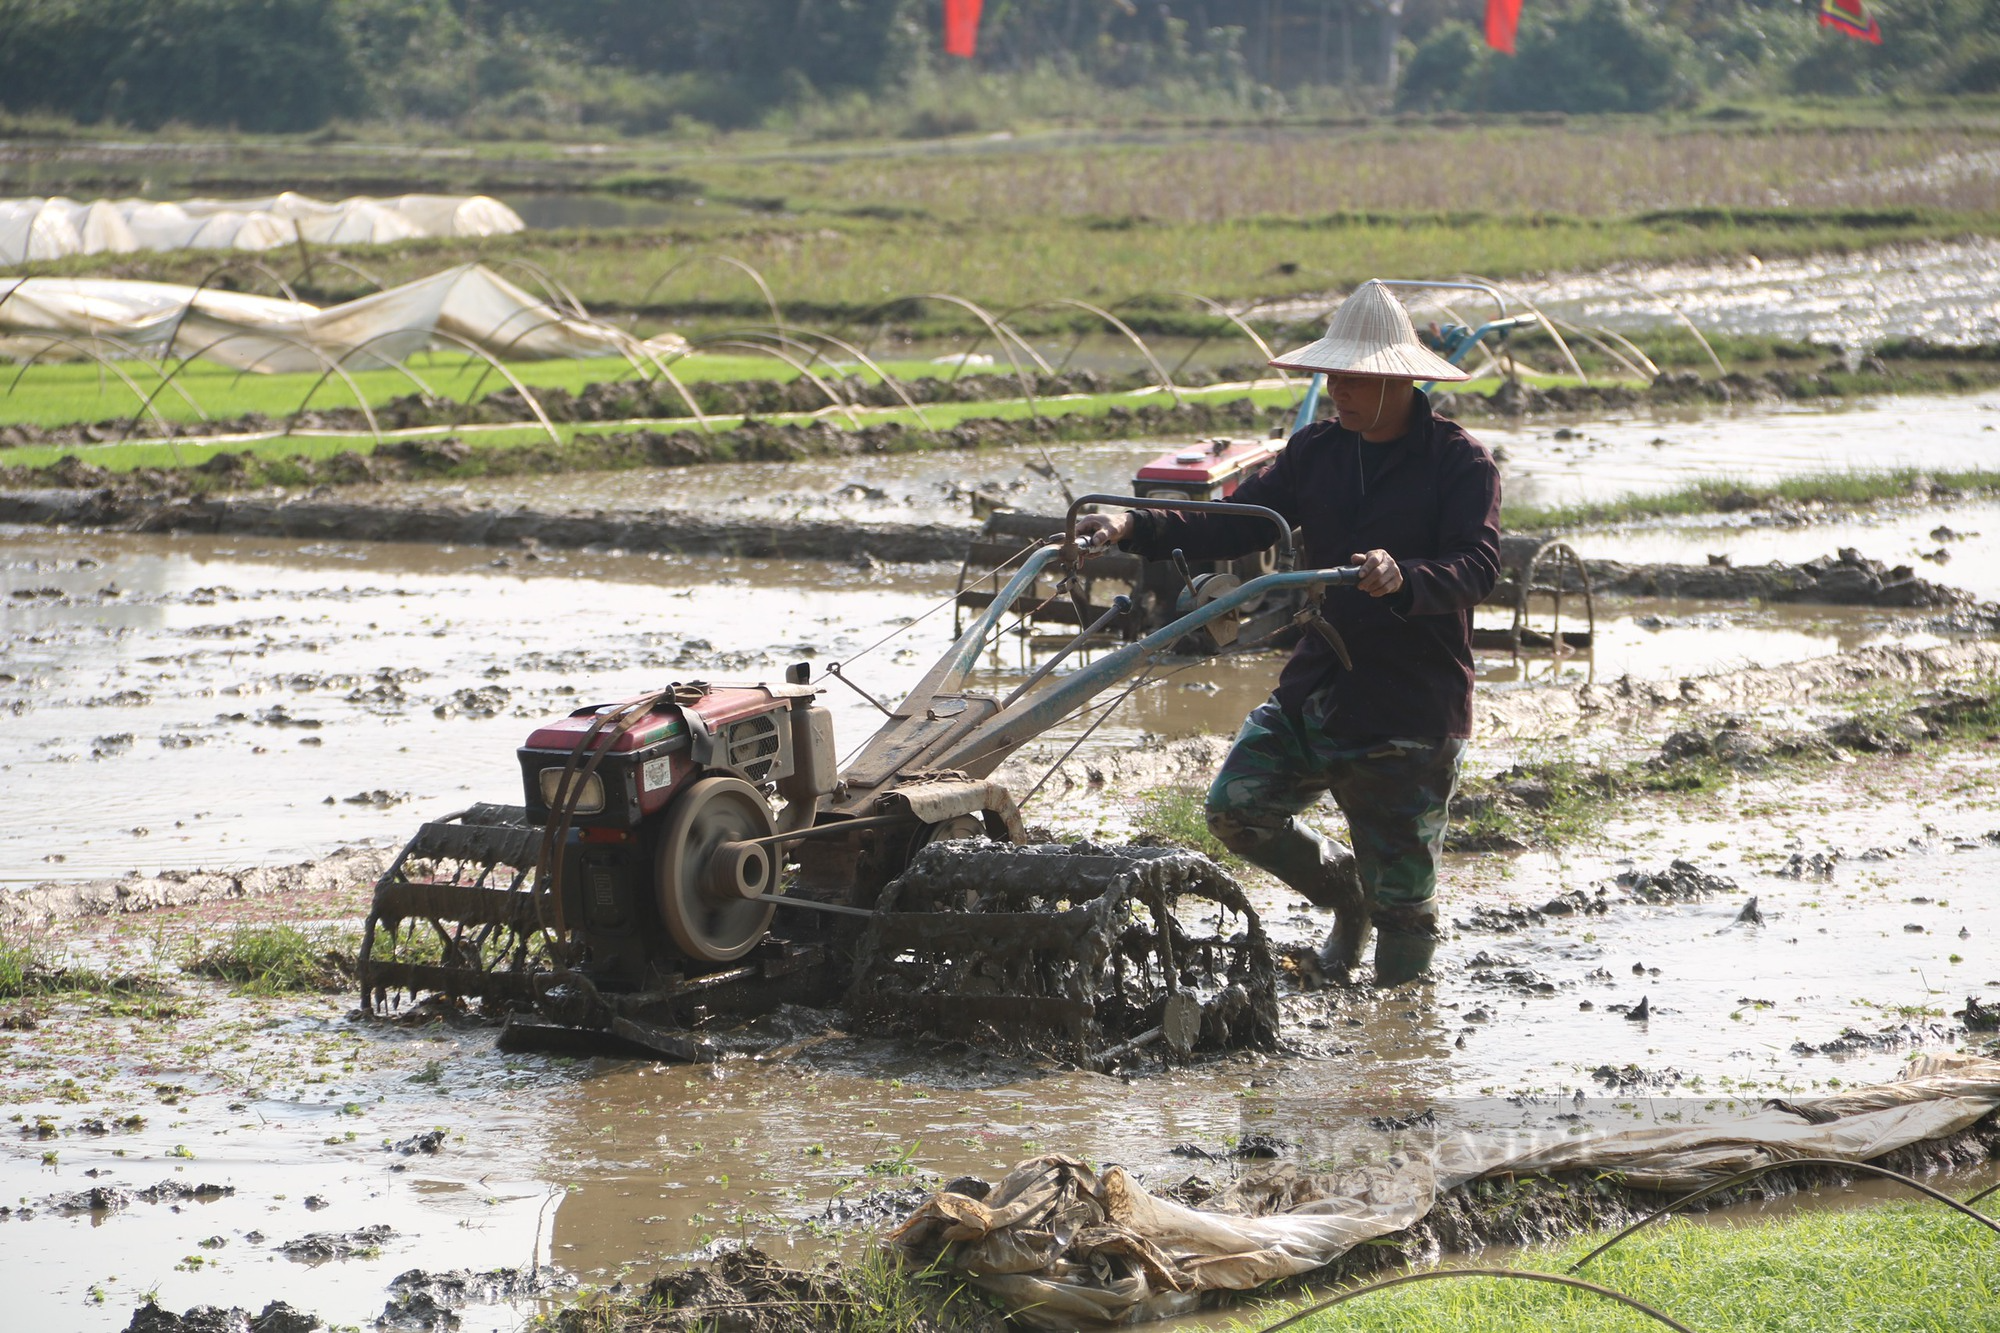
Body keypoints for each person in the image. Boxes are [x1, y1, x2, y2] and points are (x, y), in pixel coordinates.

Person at [1075, 281, 1501, 986]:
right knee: (1237, 809)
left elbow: (1478, 566)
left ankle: (1396, 1049)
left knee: (1406, 908)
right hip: (1322, 683)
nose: (1339, 390)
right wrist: (1131, 524)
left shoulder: (1459, 462)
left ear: (1402, 378)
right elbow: (1232, 520)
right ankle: (1347, 896)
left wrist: (1404, 576)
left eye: (1355, 377)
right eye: (1332, 374)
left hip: (1411, 707)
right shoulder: (1317, 452)